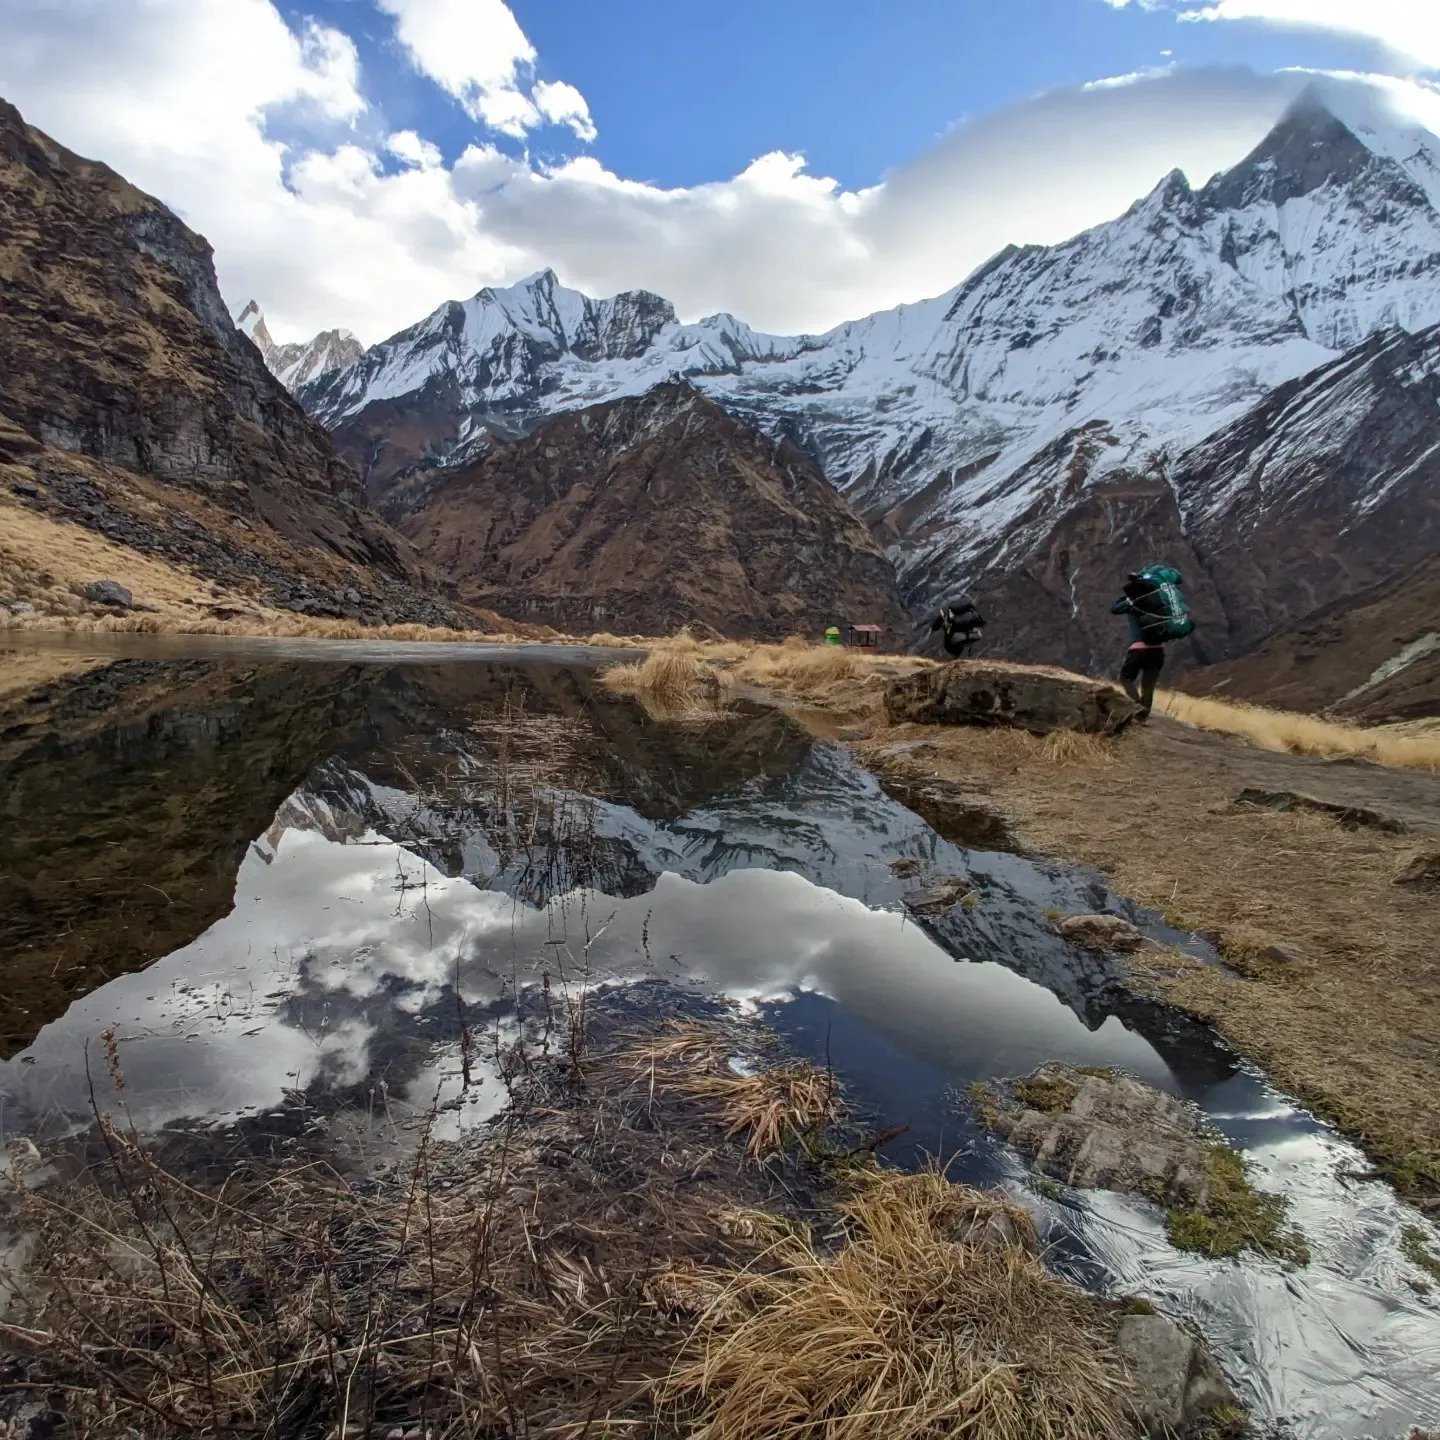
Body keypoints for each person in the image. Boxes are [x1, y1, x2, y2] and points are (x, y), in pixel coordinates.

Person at [1111, 573, 1165, 719]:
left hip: (1139, 649)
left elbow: (1115, 609)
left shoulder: (1133, 602)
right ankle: (1143, 716)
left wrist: (1126, 598)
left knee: (1125, 678)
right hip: (1158, 650)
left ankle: (1136, 705)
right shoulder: (1159, 601)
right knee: (1148, 684)